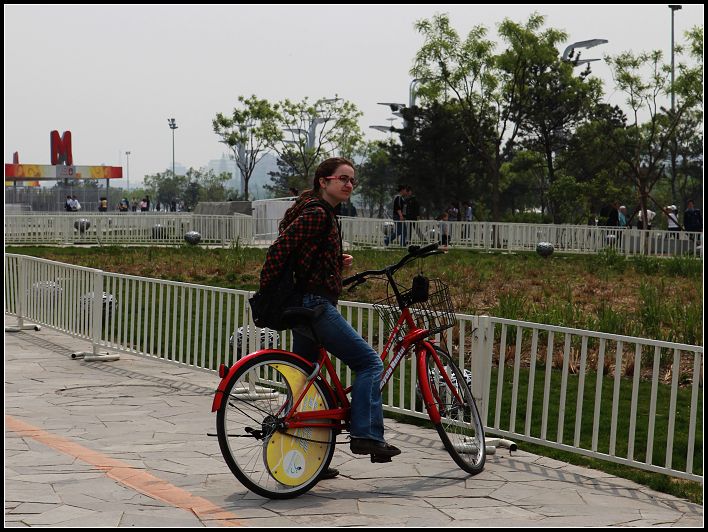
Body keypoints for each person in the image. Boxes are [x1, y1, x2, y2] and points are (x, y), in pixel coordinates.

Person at [259, 157, 401, 478]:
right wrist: (269, 290)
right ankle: (367, 435)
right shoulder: (318, 214)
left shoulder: (311, 210)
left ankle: (311, 459)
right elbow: (280, 250)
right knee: (369, 364)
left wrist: (335, 260)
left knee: (306, 381)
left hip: (303, 304)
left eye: (352, 180)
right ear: (323, 181)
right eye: (342, 178)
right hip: (315, 305)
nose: (349, 185)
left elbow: (301, 254)